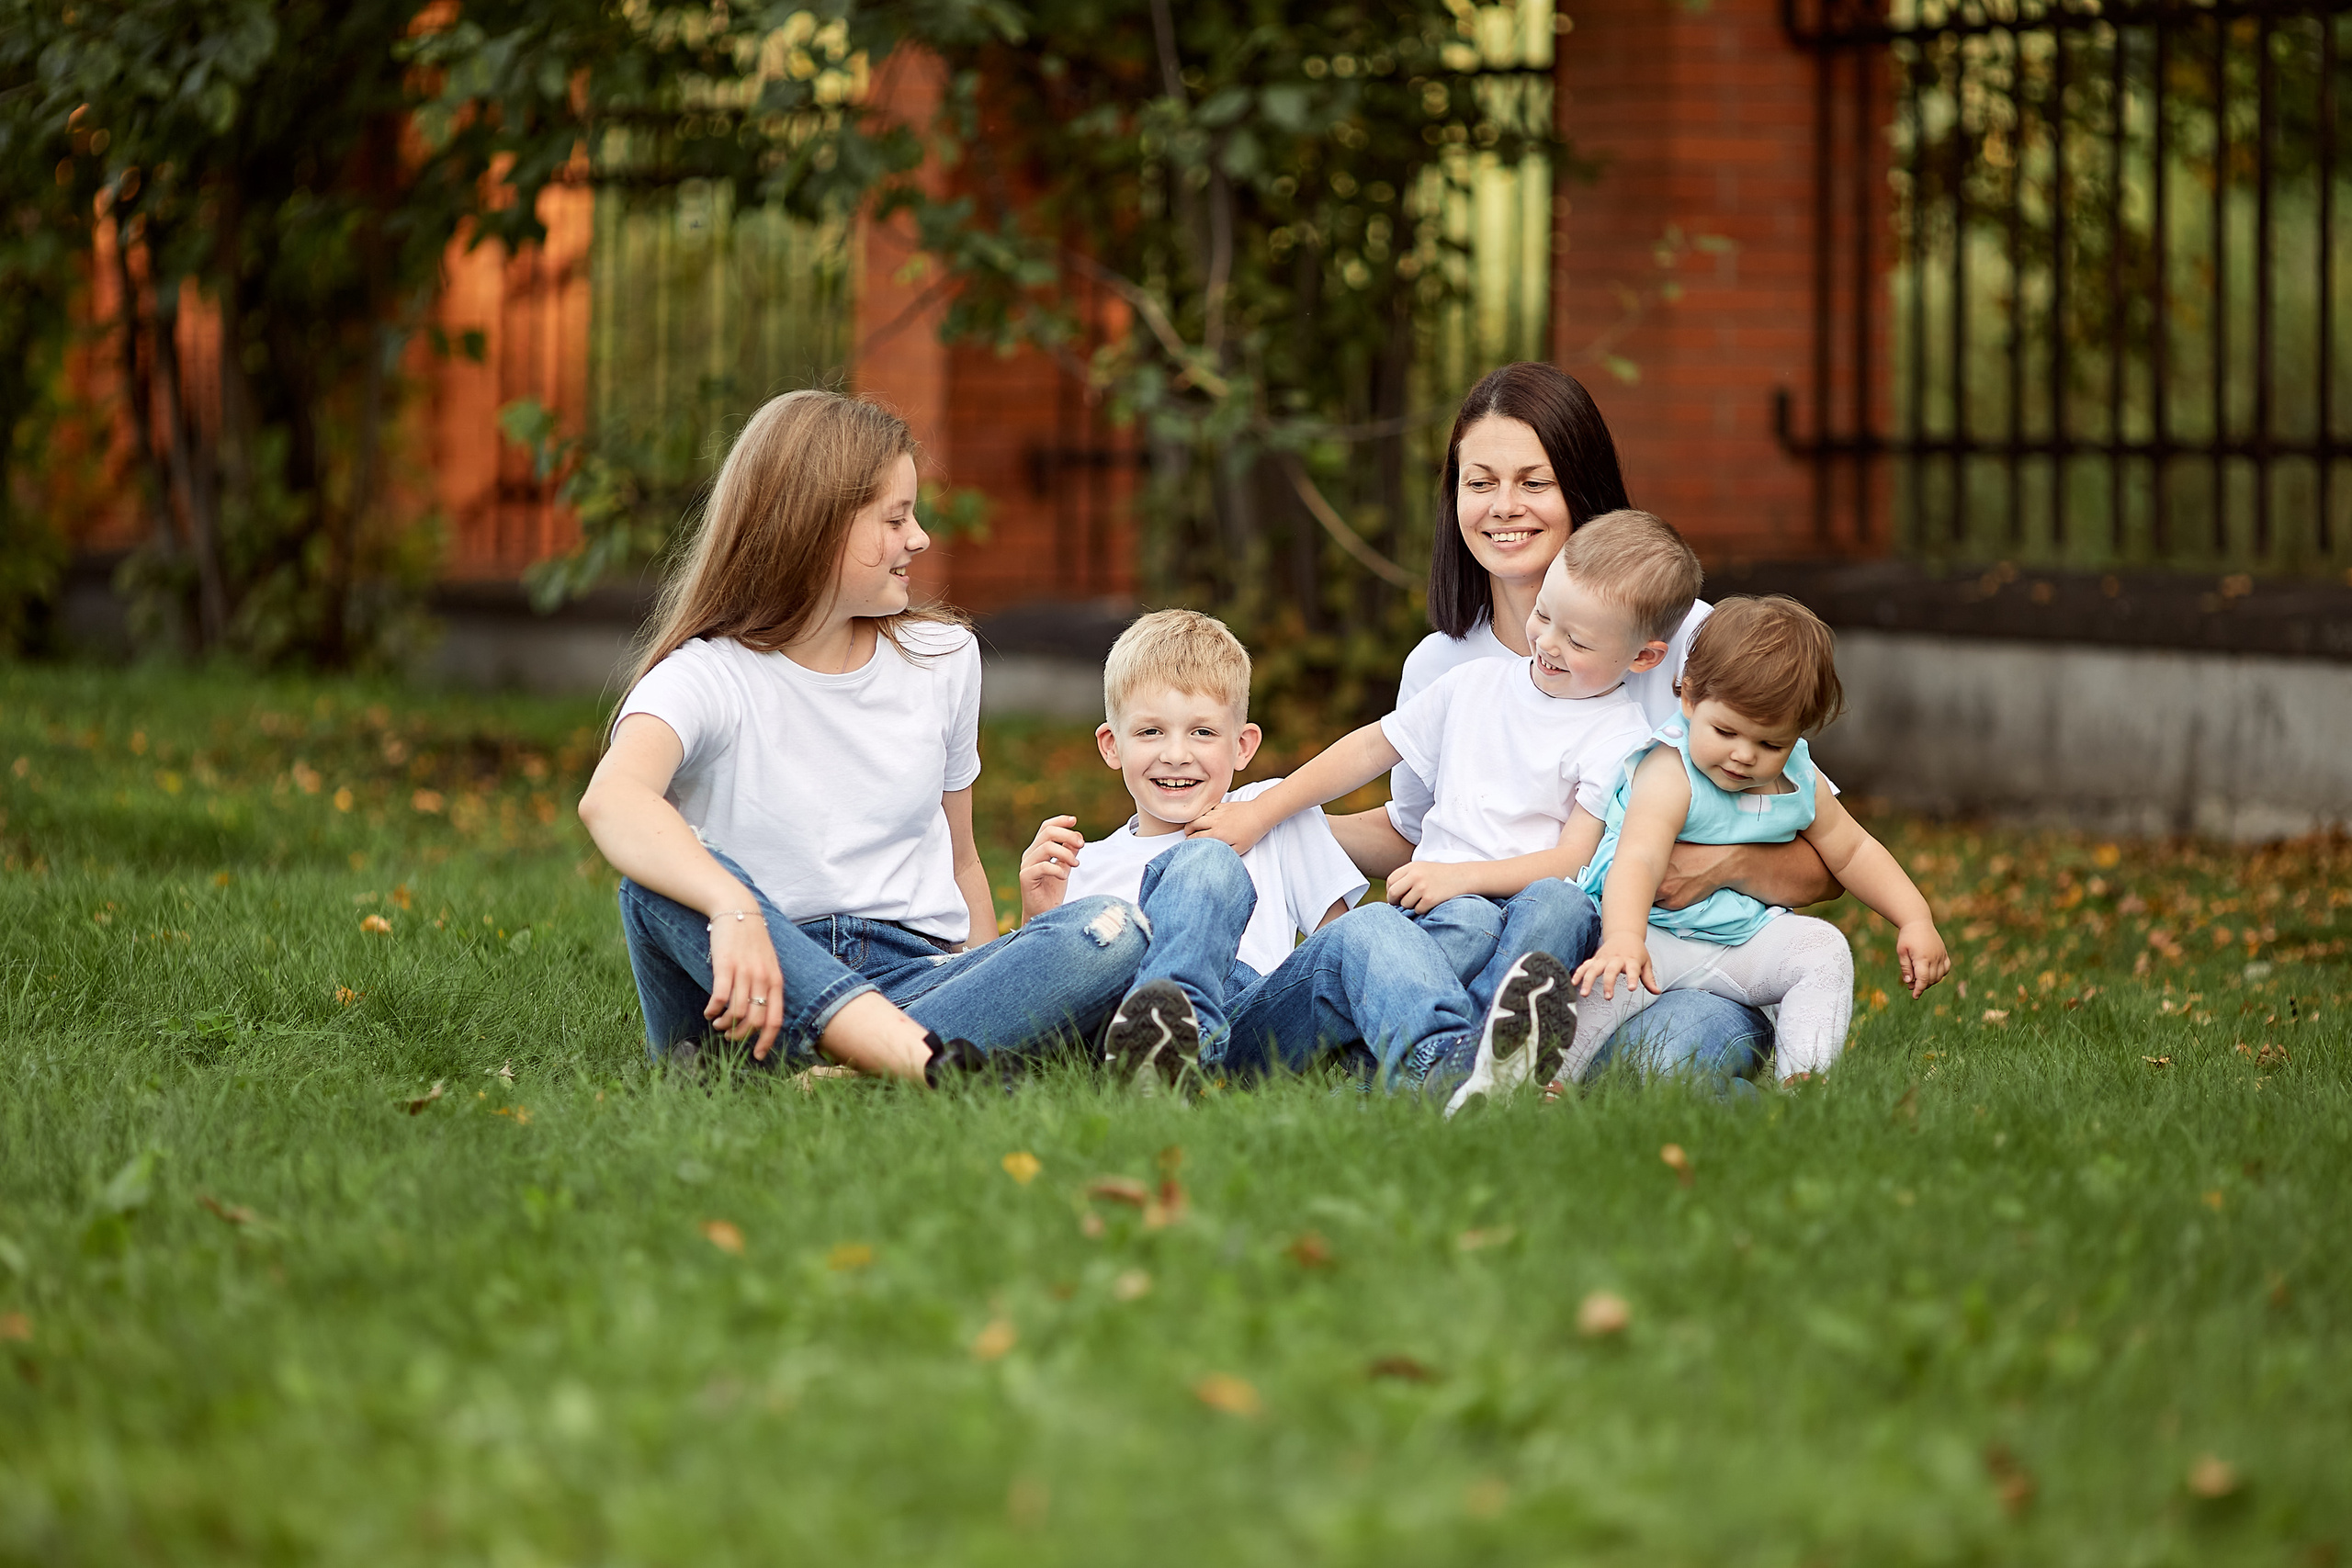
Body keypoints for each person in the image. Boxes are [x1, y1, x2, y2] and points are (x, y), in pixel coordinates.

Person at [575, 389, 1148, 1084]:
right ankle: (917, 1059)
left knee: (1111, 929)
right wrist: (733, 906)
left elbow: (963, 859)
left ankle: (869, 1067)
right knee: (658, 884)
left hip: (917, 972)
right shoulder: (705, 677)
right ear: (816, 528)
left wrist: (991, 975)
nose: (921, 538)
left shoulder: (942, 657)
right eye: (896, 517)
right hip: (757, 994)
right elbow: (612, 799)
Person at [1322, 362, 1845, 1091]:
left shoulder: (1690, 639)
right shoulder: (1441, 663)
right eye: (1480, 482)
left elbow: (1825, 859)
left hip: (1667, 965)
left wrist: (1719, 865)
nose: (1505, 506)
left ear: (1582, 490)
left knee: (1664, 1061)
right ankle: (1480, 1067)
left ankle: (1471, 1071)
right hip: (1496, 944)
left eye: (1534, 482)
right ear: (1455, 497)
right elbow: (1421, 836)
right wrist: (1284, 817)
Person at [1192, 510, 1694, 1112]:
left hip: (1521, 911)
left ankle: (1462, 1060)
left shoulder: (1621, 737)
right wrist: (1263, 810)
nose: (1548, 642)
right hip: (1443, 919)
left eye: (1579, 640)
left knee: (1563, 902)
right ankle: (1466, 1061)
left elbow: (1572, 857)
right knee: (1426, 924)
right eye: (1544, 614)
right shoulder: (1474, 686)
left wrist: (1463, 876)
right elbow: (1371, 748)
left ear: (1644, 658)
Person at [1020, 608, 1537, 1099]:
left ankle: (1445, 1067)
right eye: (1151, 731)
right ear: (1112, 745)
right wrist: (1037, 915)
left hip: (1256, 1026)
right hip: (1136, 1038)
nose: (1175, 754)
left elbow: (1338, 948)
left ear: (1243, 746)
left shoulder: (1272, 814)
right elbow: (1053, 1009)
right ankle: (1166, 1049)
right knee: (1194, 875)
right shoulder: (1083, 865)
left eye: (1202, 732)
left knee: (1375, 923)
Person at [1558, 597, 1952, 1087]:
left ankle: (1803, 1083)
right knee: (1603, 985)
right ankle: (1546, 1081)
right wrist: (1622, 938)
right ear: (1689, 700)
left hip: (1737, 941)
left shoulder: (1798, 778)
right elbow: (1638, 857)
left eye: (1771, 744)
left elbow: (1854, 851)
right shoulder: (1670, 769)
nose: (1744, 756)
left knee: (1823, 949)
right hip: (1649, 936)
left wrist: (1914, 918)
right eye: (1726, 731)